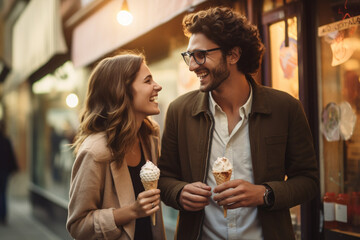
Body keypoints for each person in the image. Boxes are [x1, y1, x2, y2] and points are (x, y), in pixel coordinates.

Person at [158, 6, 319, 240]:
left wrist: (264, 193)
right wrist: (179, 192)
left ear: (233, 55)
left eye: (200, 55)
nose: (192, 66)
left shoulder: (286, 108)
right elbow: (164, 178)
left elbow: (308, 180)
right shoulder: (179, 111)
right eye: (189, 56)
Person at [66, 52, 166, 240]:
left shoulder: (150, 135)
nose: (157, 86)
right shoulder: (95, 151)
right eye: (147, 81)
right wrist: (131, 211)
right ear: (122, 91)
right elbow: (78, 226)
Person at [0, 119, 18, 225]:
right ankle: (3, 216)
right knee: (3, 193)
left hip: (4, 171)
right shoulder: (6, 140)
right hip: (4, 171)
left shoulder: (7, 140)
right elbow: (11, 156)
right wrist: (14, 169)